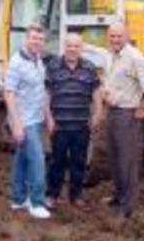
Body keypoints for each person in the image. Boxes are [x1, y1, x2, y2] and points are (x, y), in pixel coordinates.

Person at [103, 22, 144, 218]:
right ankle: (118, 196)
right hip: (112, 111)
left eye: (119, 36)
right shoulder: (110, 55)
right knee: (114, 157)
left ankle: (127, 206)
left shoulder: (135, 58)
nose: (115, 39)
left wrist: (143, 106)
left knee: (127, 160)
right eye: (112, 36)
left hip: (127, 114)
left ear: (126, 37)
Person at [44, 32, 103, 208]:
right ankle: (52, 195)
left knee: (79, 162)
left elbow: (96, 92)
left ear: (81, 48)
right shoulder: (53, 66)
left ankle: (76, 195)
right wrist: (48, 118)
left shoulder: (90, 67)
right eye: (69, 45)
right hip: (59, 126)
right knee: (57, 162)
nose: (72, 49)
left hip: (81, 125)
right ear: (64, 46)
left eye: (76, 46)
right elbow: (46, 94)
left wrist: (97, 114)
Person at [3, 24, 54, 220]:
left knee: (22, 159)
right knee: (37, 160)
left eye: (40, 39)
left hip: (36, 117)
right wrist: (17, 124)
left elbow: (42, 91)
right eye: (34, 38)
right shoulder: (16, 63)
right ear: (26, 39)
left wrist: (48, 116)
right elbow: (9, 94)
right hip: (24, 121)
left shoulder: (38, 59)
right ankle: (36, 203)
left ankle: (18, 199)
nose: (37, 42)